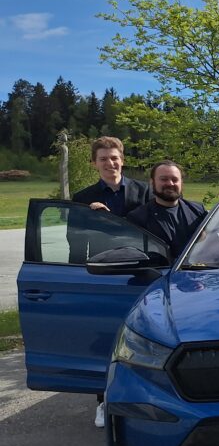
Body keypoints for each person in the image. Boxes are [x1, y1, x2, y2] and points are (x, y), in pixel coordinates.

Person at [70, 136, 151, 429]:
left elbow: (154, 230)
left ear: (123, 160)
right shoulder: (82, 198)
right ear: (94, 163)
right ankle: (102, 401)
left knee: (142, 338)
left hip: (141, 274)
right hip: (103, 275)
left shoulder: (145, 191)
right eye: (103, 158)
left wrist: (113, 221)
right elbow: (75, 243)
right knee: (103, 338)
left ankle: (143, 398)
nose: (110, 163)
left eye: (114, 157)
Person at [126, 161, 208, 260]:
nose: (170, 183)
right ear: (152, 182)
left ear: (181, 183)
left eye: (175, 179)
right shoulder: (138, 217)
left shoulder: (198, 211)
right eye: (164, 179)